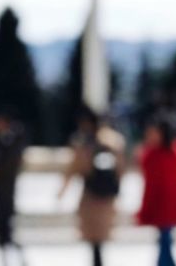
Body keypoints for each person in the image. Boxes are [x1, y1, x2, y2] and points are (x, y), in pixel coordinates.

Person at [58, 104, 126, 266]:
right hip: (106, 198)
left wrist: (62, 191)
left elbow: (74, 168)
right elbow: (121, 169)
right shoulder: (114, 141)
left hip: (91, 197)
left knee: (94, 240)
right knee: (98, 240)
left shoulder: (83, 143)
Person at [136, 115, 176, 266]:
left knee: (165, 243)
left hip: (170, 205)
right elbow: (148, 186)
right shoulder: (151, 155)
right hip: (158, 205)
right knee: (165, 242)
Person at [0, 109, 28, 263]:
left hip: (6, 194)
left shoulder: (11, 141)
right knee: (3, 234)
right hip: (4, 193)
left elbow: (5, 166)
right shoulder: (7, 140)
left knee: (6, 234)